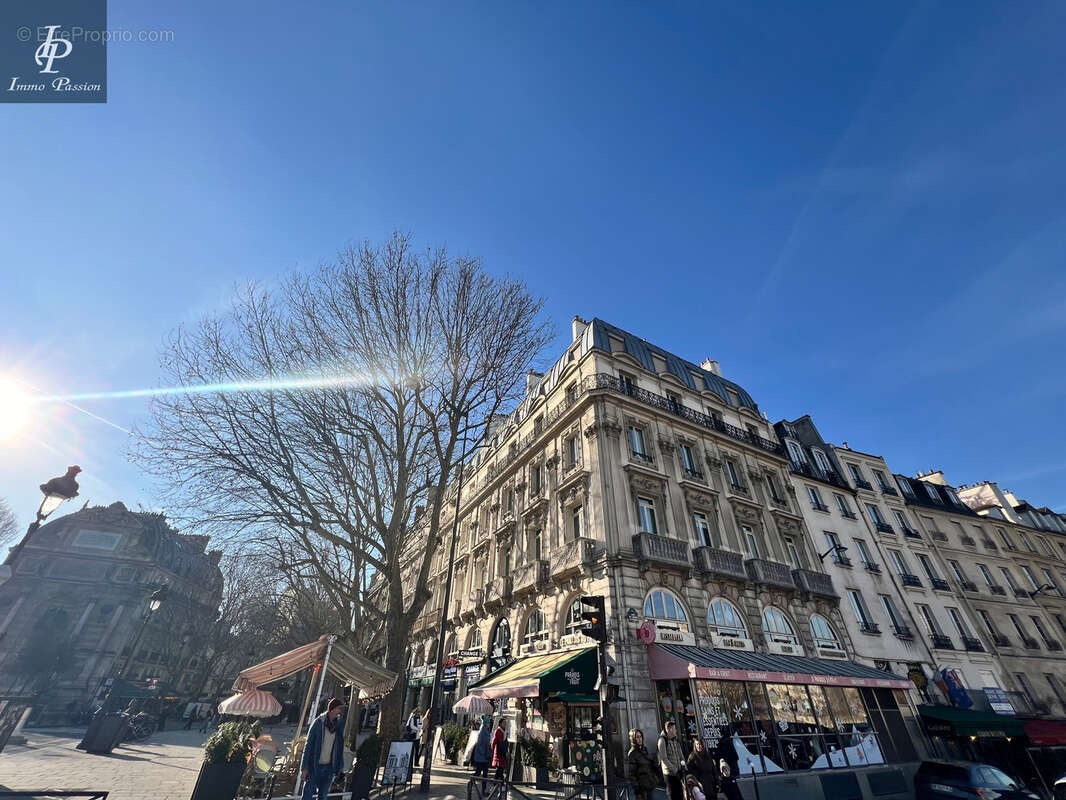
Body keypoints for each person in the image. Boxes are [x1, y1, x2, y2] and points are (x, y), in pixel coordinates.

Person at [300, 697, 347, 800]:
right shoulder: (318, 723)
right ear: (332, 709)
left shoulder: (338, 725)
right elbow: (308, 746)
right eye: (339, 708)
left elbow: (339, 748)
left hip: (329, 768)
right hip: (315, 766)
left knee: (323, 796)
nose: (340, 711)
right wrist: (304, 767)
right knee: (307, 796)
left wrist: (340, 765)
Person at [626, 728, 659, 800]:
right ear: (633, 739)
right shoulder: (632, 753)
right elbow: (632, 774)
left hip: (650, 784)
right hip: (641, 788)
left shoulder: (644, 749)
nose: (640, 739)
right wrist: (637, 790)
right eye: (637, 737)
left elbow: (649, 765)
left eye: (640, 736)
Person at [657, 721, 684, 800]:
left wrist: (684, 767)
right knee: (673, 795)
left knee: (680, 795)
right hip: (670, 775)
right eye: (674, 729)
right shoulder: (662, 741)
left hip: (679, 772)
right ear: (669, 729)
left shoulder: (675, 740)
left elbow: (681, 755)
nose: (676, 730)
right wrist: (675, 770)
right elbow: (664, 759)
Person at [472, 715, 493, 788]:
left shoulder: (486, 731)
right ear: (485, 723)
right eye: (488, 723)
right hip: (481, 756)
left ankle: (484, 790)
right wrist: (483, 752)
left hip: (484, 756)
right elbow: (479, 743)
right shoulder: (482, 731)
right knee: (479, 772)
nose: (489, 724)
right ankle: (471, 782)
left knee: (485, 774)